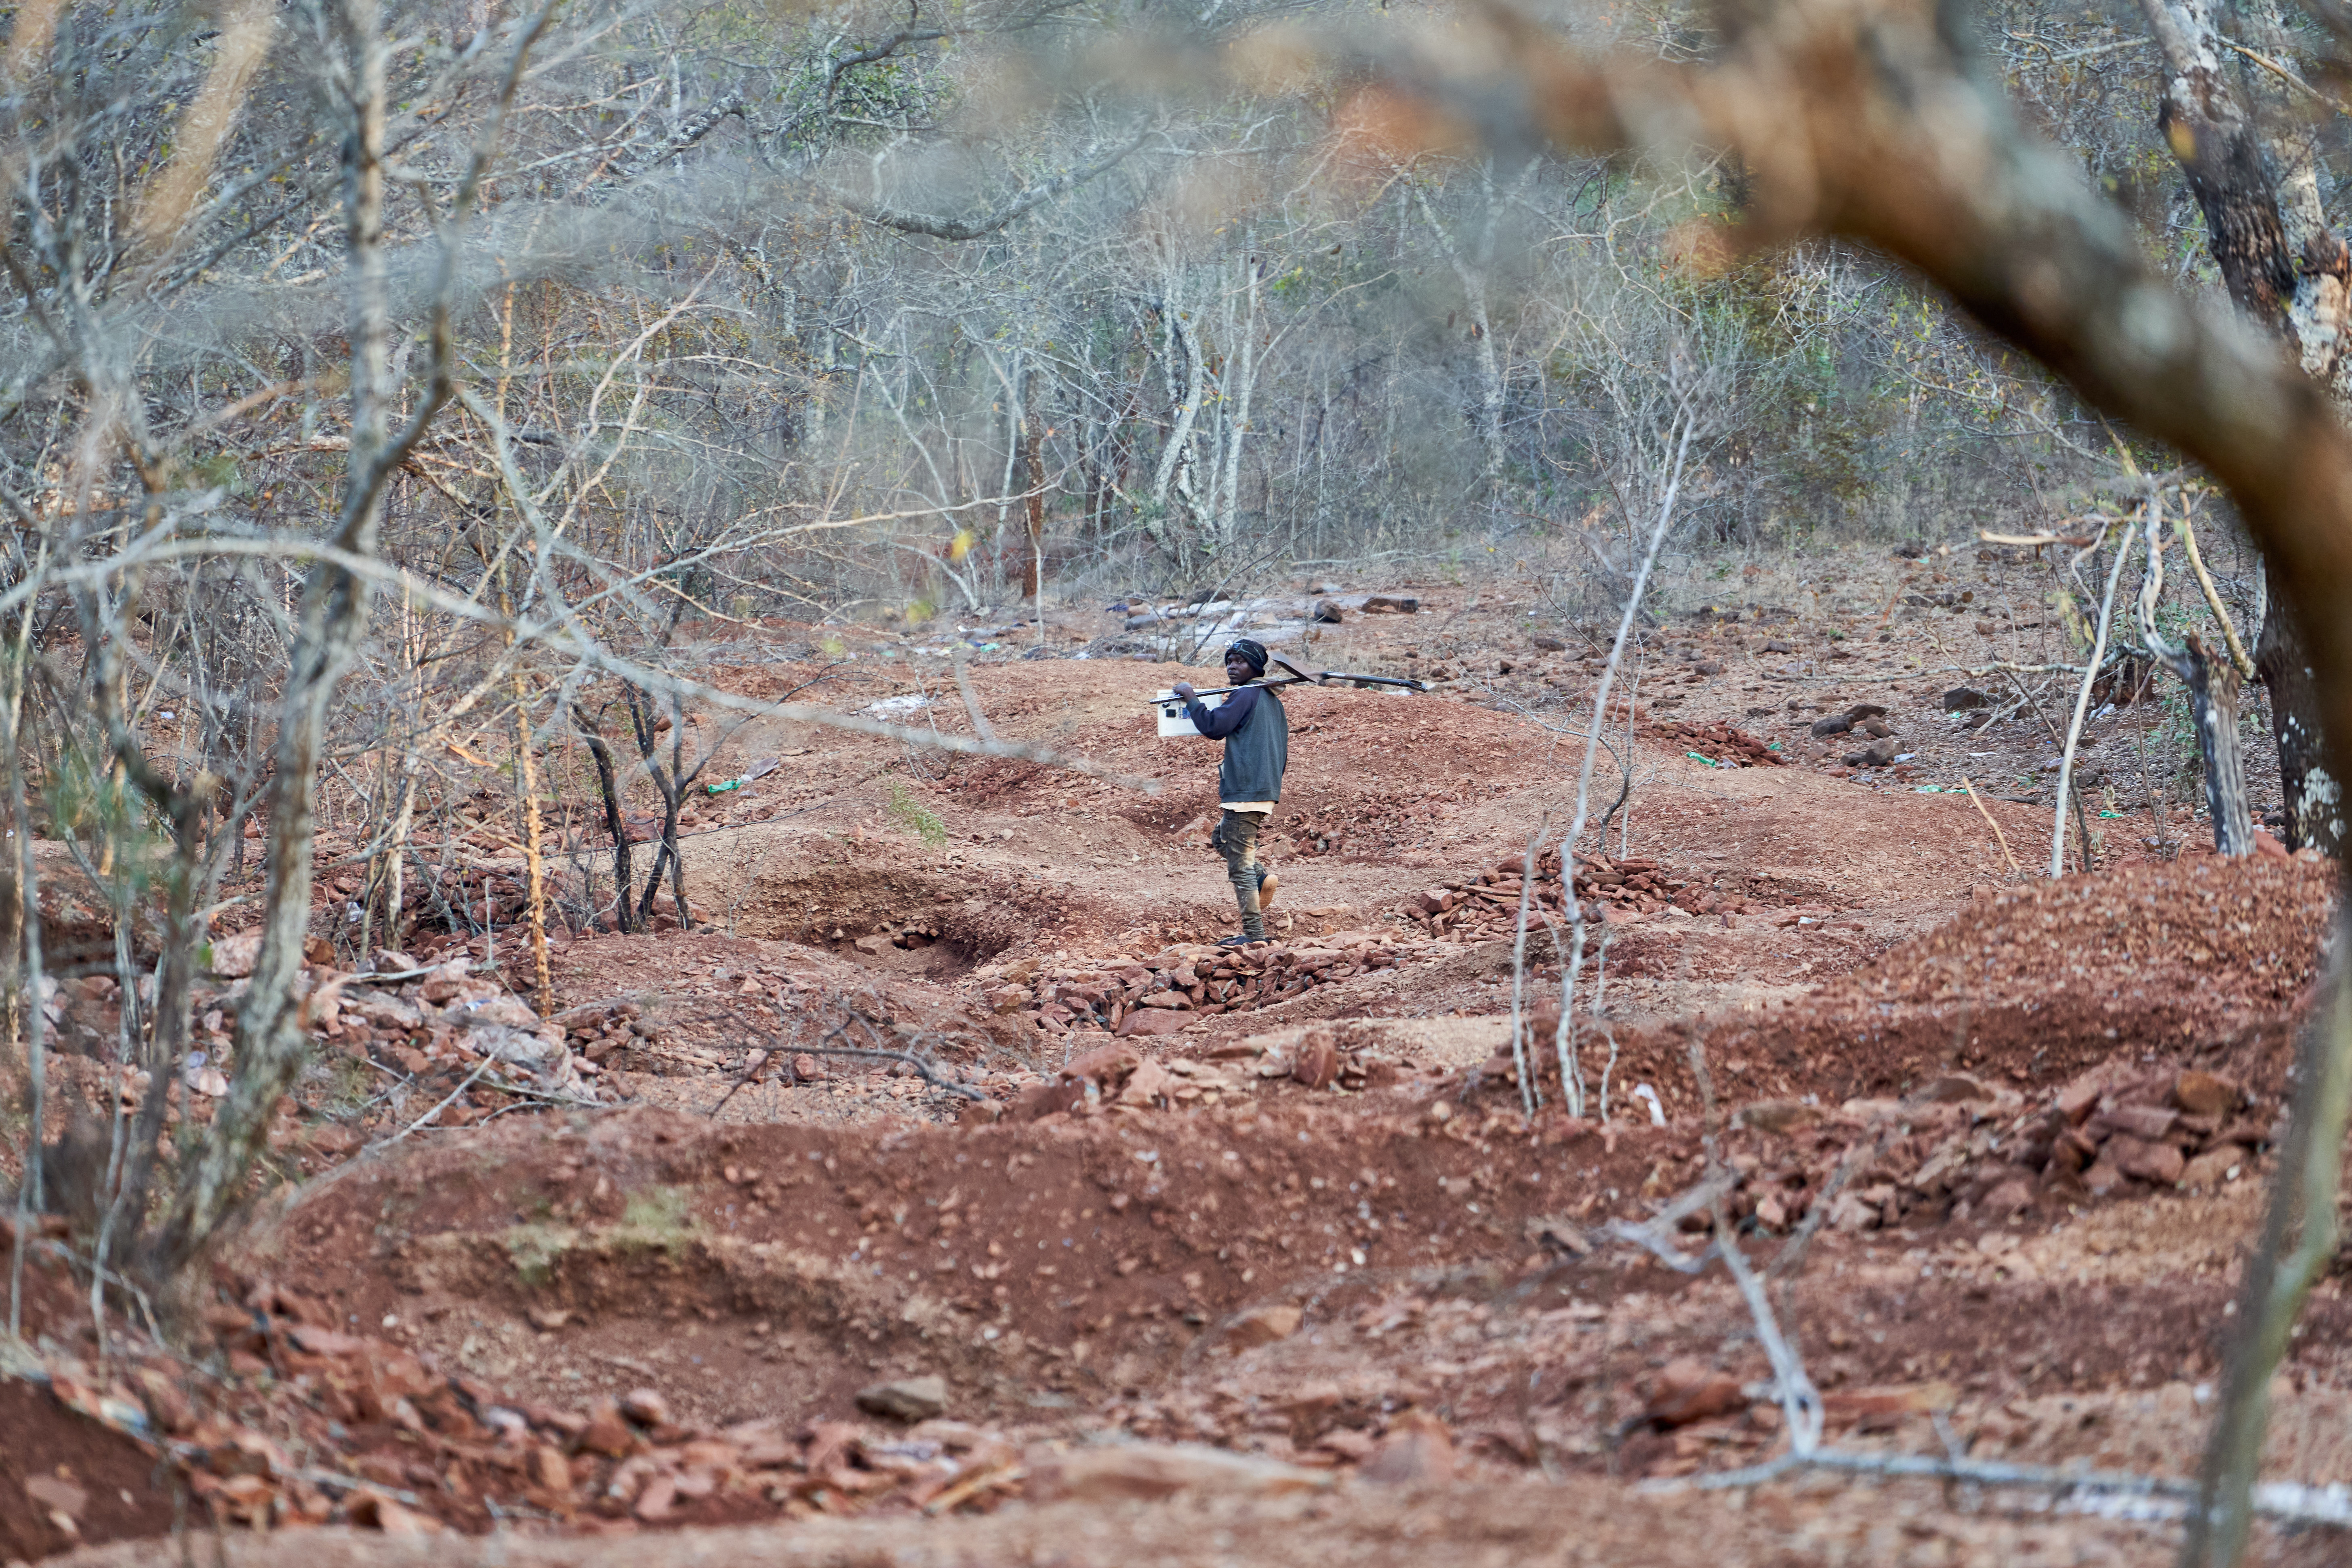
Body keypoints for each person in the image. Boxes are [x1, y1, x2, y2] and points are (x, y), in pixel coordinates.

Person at [1173, 639, 1289, 946]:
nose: (1232, 667)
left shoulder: (1246, 694)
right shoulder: (1270, 699)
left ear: (1255, 667)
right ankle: (1261, 878)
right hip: (1262, 787)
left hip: (1245, 790)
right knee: (1220, 838)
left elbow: (1214, 726)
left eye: (1240, 661)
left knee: (1239, 868)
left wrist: (1190, 698)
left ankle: (1254, 936)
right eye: (1229, 661)